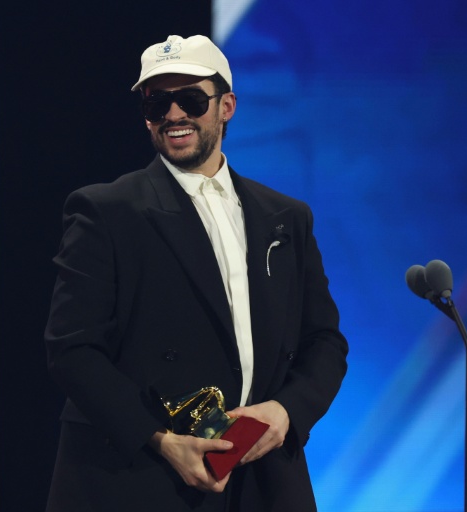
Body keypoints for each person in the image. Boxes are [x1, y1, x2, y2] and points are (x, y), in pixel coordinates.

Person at [43, 34, 348, 512]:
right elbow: (72, 349)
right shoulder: (107, 211)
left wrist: (287, 411)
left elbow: (325, 340)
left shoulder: (286, 217)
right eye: (157, 103)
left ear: (226, 106)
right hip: (140, 477)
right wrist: (161, 440)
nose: (173, 115)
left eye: (190, 100)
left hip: (261, 480)